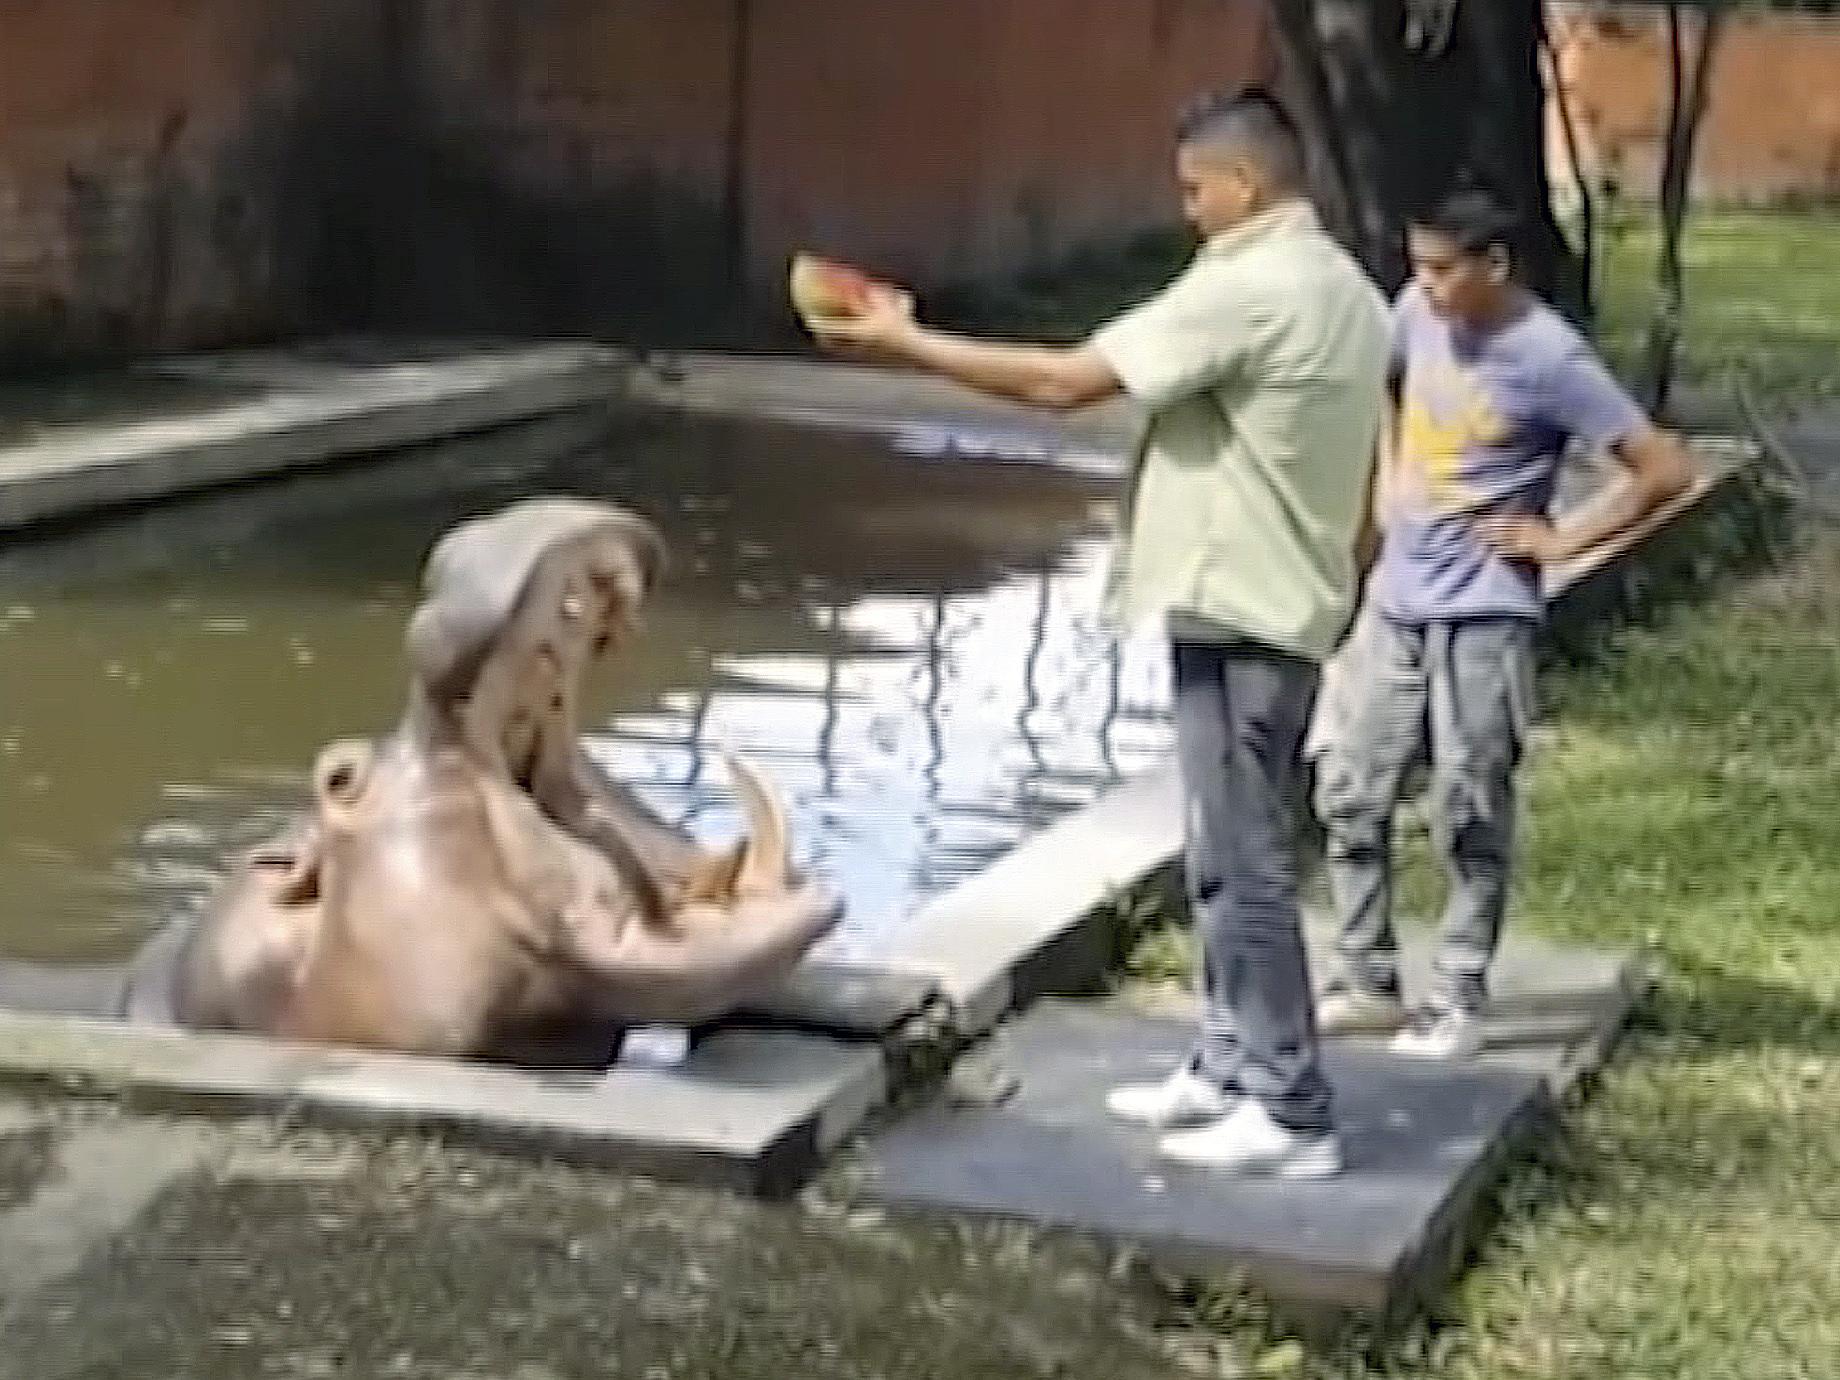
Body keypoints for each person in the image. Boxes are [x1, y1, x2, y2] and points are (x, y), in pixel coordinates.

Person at [812, 89, 1389, 1178]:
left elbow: (1060, 381)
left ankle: (1292, 1106)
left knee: (1249, 859)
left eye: (1192, 190)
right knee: (1220, 850)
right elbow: (1366, 475)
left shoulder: (1253, 286)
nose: (1186, 211)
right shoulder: (1348, 290)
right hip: (1279, 598)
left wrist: (904, 341)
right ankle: (1227, 1063)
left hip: (1245, 606)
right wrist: (1342, 583)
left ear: (1243, 185)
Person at [1312, 187, 1694, 1059]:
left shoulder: (1550, 357)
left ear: (1495, 266)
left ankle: (1458, 992)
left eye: (1445, 271)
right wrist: (1385, 486)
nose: (1427, 287)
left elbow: (1663, 468)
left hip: (1484, 612)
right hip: (1398, 602)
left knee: (1469, 802)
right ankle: (1366, 977)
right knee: (1350, 788)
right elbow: (1387, 383)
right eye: (1418, 267)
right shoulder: (1416, 310)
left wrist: (1563, 539)